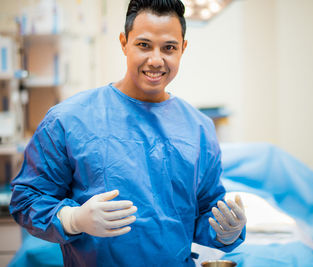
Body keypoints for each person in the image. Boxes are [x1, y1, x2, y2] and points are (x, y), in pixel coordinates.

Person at [9, 0, 246, 266]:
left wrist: (226, 231)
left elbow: (205, 212)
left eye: (169, 48)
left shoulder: (199, 129)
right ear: (124, 42)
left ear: (183, 49)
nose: (156, 60)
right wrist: (73, 219)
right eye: (144, 45)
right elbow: (26, 200)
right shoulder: (69, 119)